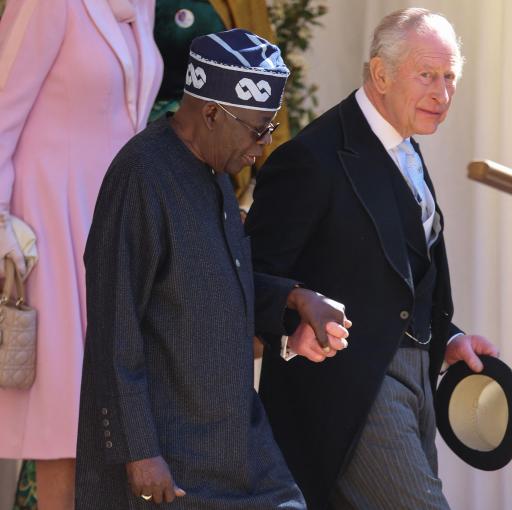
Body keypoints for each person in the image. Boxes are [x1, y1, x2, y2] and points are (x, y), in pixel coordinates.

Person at [75, 29, 350, 508]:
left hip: (239, 443)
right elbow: (112, 327)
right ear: (210, 113)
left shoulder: (218, 172)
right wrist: (141, 453)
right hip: (171, 455)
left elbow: (210, 279)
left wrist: (293, 300)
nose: (263, 146)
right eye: (257, 129)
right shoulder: (140, 177)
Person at [246, 8, 499, 510]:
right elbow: (248, 275)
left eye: (450, 77)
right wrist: (290, 328)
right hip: (349, 393)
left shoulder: (403, 144)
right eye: (427, 75)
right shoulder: (311, 158)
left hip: (416, 383)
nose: (442, 93)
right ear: (380, 74)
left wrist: (444, 337)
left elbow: (400, 276)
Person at [0, 1, 162, 508]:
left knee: (116, 417)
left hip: (113, 221)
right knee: (65, 426)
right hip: (47, 222)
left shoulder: (144, 3)